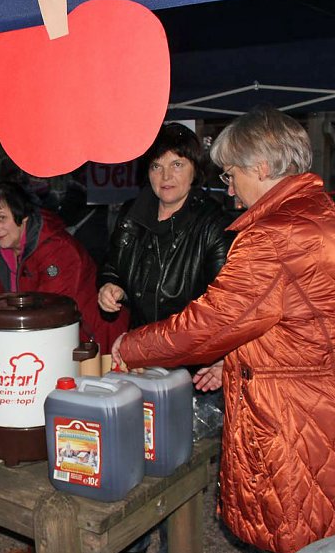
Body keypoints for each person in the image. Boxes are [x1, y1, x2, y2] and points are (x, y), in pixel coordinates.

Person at [111, 108, 335, 553]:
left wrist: (133, 345)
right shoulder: (323, 213)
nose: (229, 188)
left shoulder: (273, 234)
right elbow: (300, 322)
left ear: (262, 167)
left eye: (231, 174)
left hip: (301, 421)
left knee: (306, 537)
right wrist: (234, 360)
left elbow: (211, 322)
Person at [99, 123, 234, 391]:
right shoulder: (131, 214)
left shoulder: (213, 224)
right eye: (156, 166)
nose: (166, 176)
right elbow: (112, 266)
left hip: (194, 369)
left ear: (195, 170)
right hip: (140, 359)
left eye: (177, 165)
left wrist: (224, 359)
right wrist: (110, 287)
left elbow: (223, 307)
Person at [0, 181, 129, 353]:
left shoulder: (57, 248)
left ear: (23, 215)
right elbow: (0, 301)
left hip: (95, 341)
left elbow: (51, 312)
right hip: (50, 341)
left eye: (1, 218)